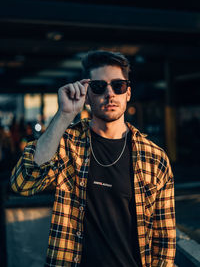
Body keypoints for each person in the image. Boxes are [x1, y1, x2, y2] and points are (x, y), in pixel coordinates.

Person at [10, 50, 176, 267]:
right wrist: (64, 115)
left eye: (118, 86)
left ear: (128, 93)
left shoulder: (155, 158)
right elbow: (23, 183)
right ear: (87, 96)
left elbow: (164, 241)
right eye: (99, 87)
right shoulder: (67, 144)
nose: (110, 94)